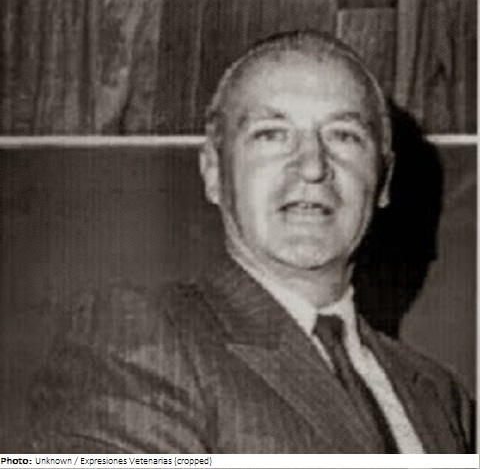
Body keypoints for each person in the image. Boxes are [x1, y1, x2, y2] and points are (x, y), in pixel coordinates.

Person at [29, 31, 474, 453]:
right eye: (271, 134)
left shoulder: (440, 396)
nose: (313, 166)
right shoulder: (135, 339)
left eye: (344, 135)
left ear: (383, 181)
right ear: (213, 172)